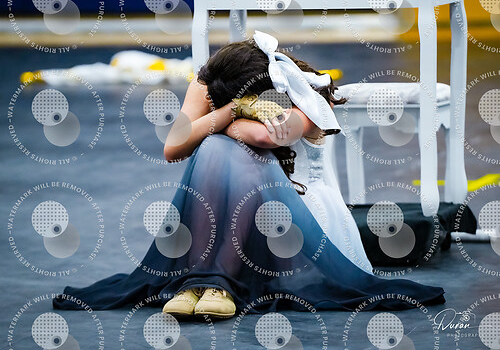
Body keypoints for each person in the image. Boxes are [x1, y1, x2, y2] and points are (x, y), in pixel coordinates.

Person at [53, 31, 444, 318]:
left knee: (218, 145)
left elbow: (264, 136)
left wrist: (220, 123)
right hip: (230, 208)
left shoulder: (303, 93)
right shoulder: (212, 86)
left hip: (295, 217)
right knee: (214, 147)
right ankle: (206, 283)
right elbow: (173, 147)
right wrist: (232, 110)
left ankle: (212, 282)